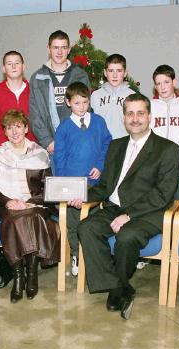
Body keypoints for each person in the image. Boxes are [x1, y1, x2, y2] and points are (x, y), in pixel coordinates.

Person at [70, 93, 179, 320]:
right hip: (113, 207)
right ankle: (119, 286)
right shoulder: (116, 146)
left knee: (127, 236)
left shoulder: (167, 149)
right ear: (124, 118)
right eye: (130, 113)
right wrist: (84, 196)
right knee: (86, 228)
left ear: (150, 116)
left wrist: (129, 215)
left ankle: (117, 287)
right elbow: (105, 185)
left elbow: (163, 194)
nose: (135, 118)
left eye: (140, 113)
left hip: (149, 212)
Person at [0, 109, 60, 303]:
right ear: (5, 131)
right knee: (17, 218)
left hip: (35, 204)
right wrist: (9, 201)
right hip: (7, 204)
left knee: (31, 216)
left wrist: (29, 202)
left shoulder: (40, 154)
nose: (14, 131)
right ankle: (21, 276)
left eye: (18, 126)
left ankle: (30, 275)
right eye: (9, 127)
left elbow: (48, 188)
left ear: (26, 128)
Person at [54, 81, 112, 276]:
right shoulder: (63, 128)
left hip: (94, 184)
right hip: (72, 186)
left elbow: (106, 145)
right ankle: (75, 254)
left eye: (85, 102)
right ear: (68, 103)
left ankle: (92, 256)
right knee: (73, 224)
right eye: (77, 103)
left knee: (93, 222)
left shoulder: (98, 121)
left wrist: (100, 166)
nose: (81, 107)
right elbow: (59, 159)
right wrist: (63, 187)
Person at [29, 30, 90, 153]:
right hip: (49, 148)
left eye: (63, 47)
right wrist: (48, 141)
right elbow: (34, 115)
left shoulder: (80, 75)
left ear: (69, 50)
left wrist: (77, 138)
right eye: (55, 47)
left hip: (75, 145)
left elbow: (87, 109)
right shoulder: (37, 78)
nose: (59, 52)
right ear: (48, 49)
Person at [150, 64, 179, 200]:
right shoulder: (150, 106)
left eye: (166, 82)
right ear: (155, 87)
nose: (162, 87)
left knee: (175, 209)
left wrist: (176, 163)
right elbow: (148, 138)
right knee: (155, 206)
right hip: (155, 170)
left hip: (177, 170)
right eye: (158, 84)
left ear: (174, 82)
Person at [0, 50, 36, 147]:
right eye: (9, 64)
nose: (13, 67)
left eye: (17, 63)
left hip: (31, 148)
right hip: (6, 149)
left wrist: (33, 145)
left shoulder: (34, 90)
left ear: (23, 67)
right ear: (4, 69)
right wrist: (4, 147)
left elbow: (38, 120)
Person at [90, 54, 136, 139]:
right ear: (105, 73)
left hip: (124, 144)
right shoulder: (95, 95)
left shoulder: (132, 95)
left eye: (119, 71)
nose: (115, 75)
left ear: (125, 73)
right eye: (111, 71)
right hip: (101, 144)